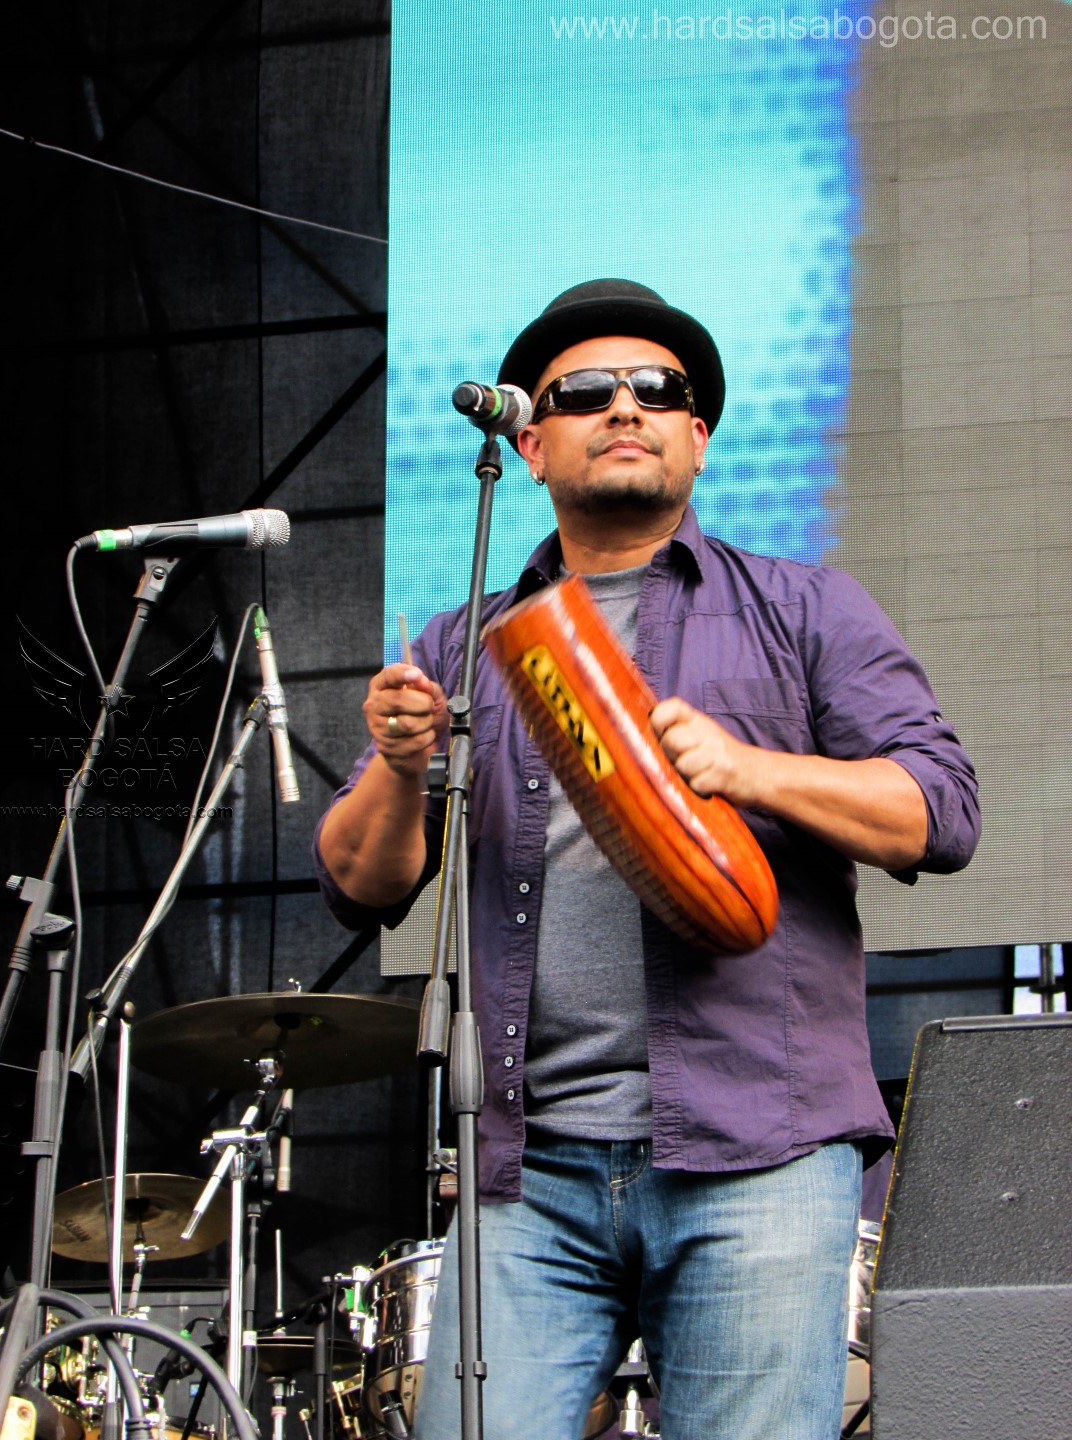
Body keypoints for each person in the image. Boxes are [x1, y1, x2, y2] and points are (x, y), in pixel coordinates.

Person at [314, 279, 980, 1440]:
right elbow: (359, 882)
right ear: (530, 445)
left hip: (759, 1150)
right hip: (526, 1168)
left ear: (698, 439)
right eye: (583, 391)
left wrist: (750, 769)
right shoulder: (461, 642)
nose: (624, 406)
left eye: (658, 389)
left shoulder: (807, 609)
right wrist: (401, 764)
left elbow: (940, 810)